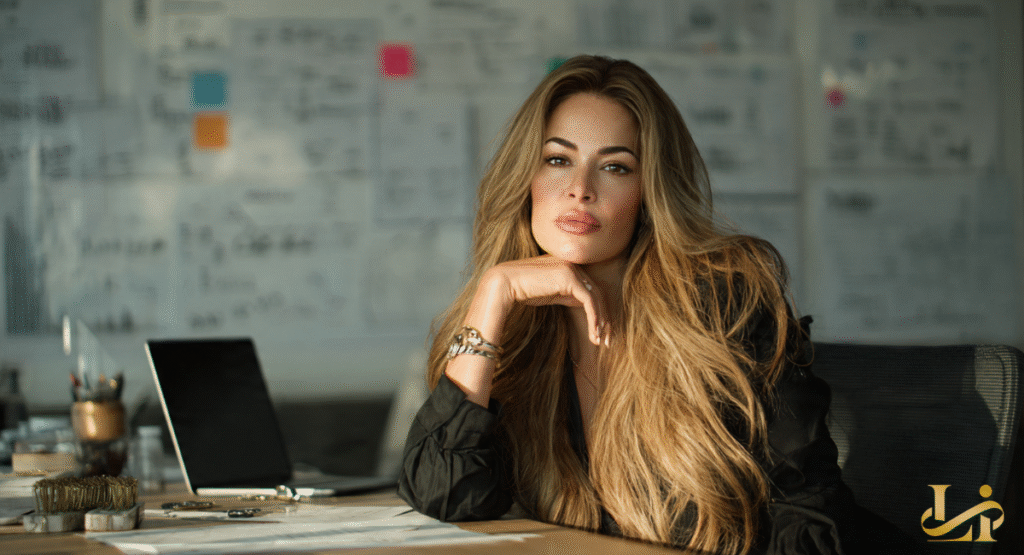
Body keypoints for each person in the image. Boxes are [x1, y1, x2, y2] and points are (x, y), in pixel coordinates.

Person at [398, 55, 917, 555]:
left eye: (616, 167)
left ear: (649, 191)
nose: (580, 190)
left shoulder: (725, 305)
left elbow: (807, 514)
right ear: (525, 179)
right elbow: (445, 493)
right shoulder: (516, 334)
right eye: (558, 160)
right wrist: (493, 294)